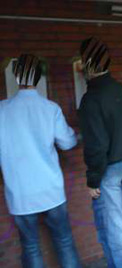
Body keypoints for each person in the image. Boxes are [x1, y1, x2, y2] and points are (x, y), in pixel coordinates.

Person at [0, 54, 81, 267]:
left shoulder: (2, 110)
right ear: (38, 78)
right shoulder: (50, 108)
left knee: (31, 247)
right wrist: (76, 135)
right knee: (64, 241)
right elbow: (67, 143)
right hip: (51, 189)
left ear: (17, 76)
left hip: (20, 192)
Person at [78, 38, 122, 268]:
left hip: (109, 168)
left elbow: (96, 145)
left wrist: (92, 179)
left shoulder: (90, 99)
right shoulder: (120, 88)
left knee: (115, 226)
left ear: (88, 64)